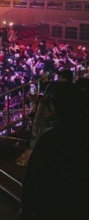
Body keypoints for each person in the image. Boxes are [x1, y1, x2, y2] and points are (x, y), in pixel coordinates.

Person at [20, 82, 89, 220]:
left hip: (52, 209)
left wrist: (27, 210)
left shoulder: (49, 140)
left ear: (55, 107)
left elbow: (32, 182)